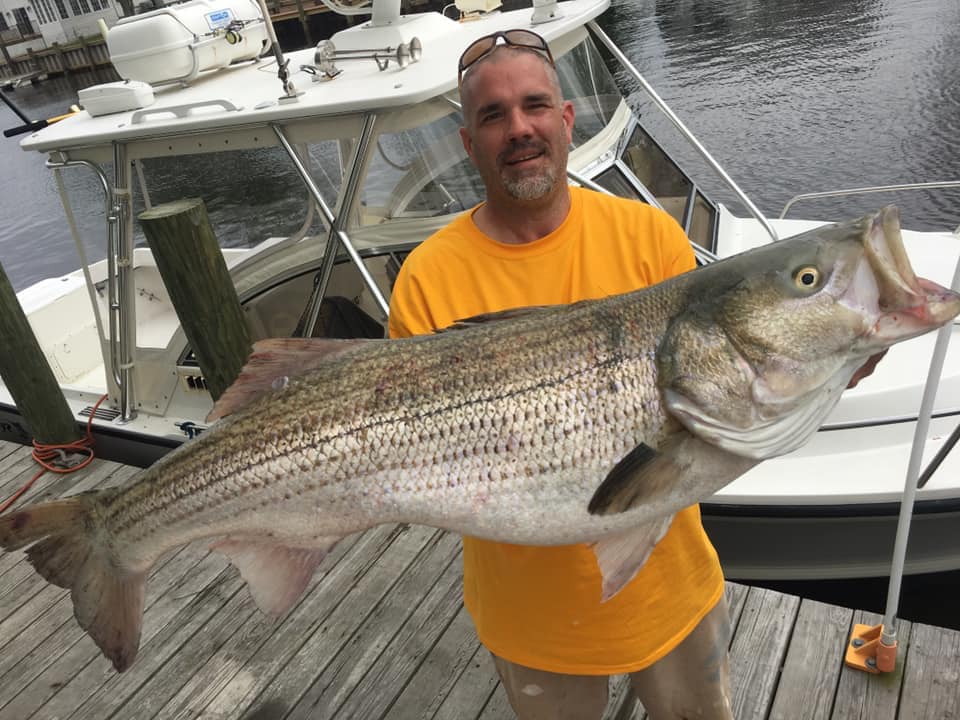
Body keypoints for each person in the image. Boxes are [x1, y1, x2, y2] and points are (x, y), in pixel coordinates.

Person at [388, 29, 733, 719]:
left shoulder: (650, 238)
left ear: (567, 118)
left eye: (535, 105)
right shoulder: (428, 277)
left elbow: (718, 395)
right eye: (493, 115)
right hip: (530, 623)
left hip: (669, 594)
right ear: (469, 142)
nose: (519, 128)